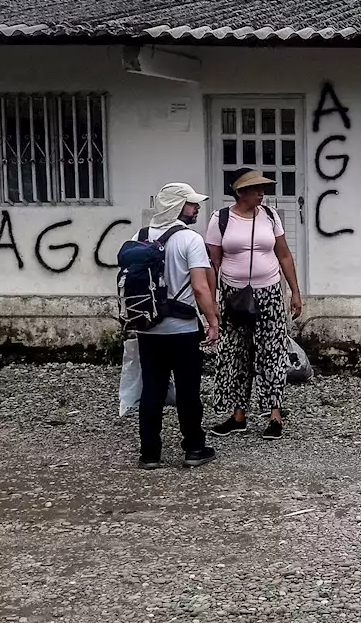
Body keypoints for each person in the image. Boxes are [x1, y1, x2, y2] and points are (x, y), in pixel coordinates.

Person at [205, 168, 303, 441]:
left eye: (263, 189)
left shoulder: (270, 217)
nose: (262, 193)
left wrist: (294, 291)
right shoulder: (220, 219)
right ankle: (237, 416)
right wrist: (212, 302)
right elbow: (213, 263)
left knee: (272, 352)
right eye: (256, 189)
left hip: (269, 293)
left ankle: (274, 415)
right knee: (236, 353)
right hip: (233, 294)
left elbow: (283, 255)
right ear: (240, 192)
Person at [129, 183, 221, 469]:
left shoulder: (139, 236)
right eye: (191, 204)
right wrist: (212, 320)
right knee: (187, 389)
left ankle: (150, 453)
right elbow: (200, 287)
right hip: (181, 329)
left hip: (147, 326)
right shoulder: (189, 239)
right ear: (177, 207)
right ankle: (194, 448)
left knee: (152, 389)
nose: (196, 208)